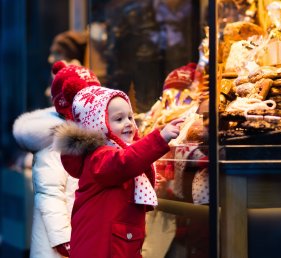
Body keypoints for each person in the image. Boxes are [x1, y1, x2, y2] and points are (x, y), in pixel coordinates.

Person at [53, 83, 184, 258]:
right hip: (101, 246)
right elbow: (125, 162)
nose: (129, 123)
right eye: (119, 119)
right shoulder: (99, 157)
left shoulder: (112, 155)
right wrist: (160, 138)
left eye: (130, 117)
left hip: (117, 242)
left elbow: (128, 168)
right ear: (98, 125)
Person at [12, 61, 101, 258]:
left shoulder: (86, 134)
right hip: (59, 242)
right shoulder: (55, 140)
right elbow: (49, 193)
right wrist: (64, 240)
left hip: (81, 233)